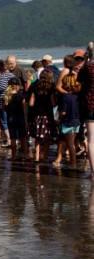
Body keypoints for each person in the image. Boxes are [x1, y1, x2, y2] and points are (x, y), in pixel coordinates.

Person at [54, 74, 81, 168]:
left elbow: (64, 112)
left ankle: (73, 163)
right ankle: (71, 161)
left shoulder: (65, 97)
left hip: (67, 122)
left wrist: (58, 118)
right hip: (77, 121)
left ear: (66, 84)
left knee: (70, 144)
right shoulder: (77, 96)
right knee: (71, 143)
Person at [29, 69, 56, 162]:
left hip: (37, 115)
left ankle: (36, 157)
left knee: (37, 137)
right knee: (47, 137)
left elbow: (31, 103)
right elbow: (53, 103)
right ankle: (44, 156)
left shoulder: (34, 86)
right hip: (48, 115)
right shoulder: (51, 87)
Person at [4, 78, 28, 160]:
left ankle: (13, 156)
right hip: (20, 118)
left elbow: (5, 109)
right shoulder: (21, 96)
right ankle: (25, 155)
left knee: (13, 138)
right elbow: (24, 109)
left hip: (11, 119)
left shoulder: (7, 96)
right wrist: (26, 119)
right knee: (23, 137)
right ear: (17, 86)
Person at [83, 42, 93, 178]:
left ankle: (93, 170)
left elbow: (80, 83)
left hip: (90, 104)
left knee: (91, 139)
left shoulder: (87, 67)